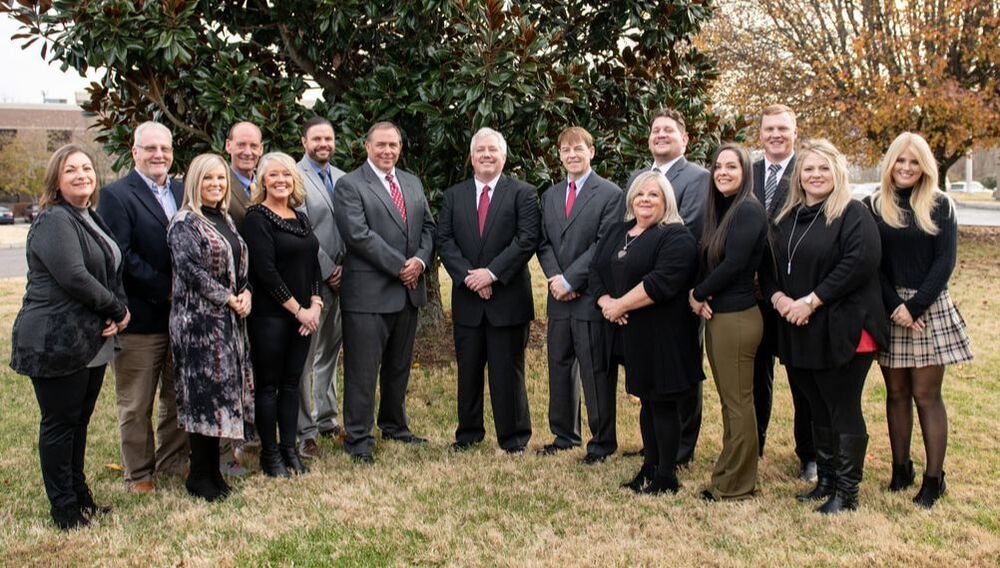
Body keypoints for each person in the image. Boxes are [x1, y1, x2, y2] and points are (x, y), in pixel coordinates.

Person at [760, 139, 888, 514]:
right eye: (809, 168)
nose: (815, 175)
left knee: (841, 406)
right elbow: (768, 268)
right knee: (815, 406)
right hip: (798, 327)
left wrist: (812, 301)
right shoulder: (787, 217)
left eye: (823, 168)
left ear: (838, 172)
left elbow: (859, 263)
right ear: (799, 174)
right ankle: (826, 481)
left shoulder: (853, 213)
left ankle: (847, 494)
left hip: (843, 327)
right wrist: (781, 300)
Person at [10, 144, 129, 530]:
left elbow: (111, 268)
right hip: (54, 340)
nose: (81, 175)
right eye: (71, 170)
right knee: (60, 424)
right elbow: (74, 277)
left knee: (79, 422)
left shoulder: (88, 216)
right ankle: (63, 508)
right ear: (56, 181)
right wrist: (115, 309)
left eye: (86, 168)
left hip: (87, 339)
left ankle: (81, 498)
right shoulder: (54, 220)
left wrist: (114, 311)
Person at [865, 132, 972, 509]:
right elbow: (871, 263)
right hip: (890, 307)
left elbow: (945, 263)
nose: (906, 168)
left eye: (914, 162)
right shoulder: (873, 205)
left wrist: (915, 307)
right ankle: (900, 469)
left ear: (925, 167)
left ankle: (933, 479)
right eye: (900, 160)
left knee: (926, 396)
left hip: (928, 308)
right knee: (895, 394)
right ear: (890, 164)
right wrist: (896, 305)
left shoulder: (941, 205)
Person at [590, 171, 701, 493]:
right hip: (632, 336)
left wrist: (620, 305)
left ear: (666, 200)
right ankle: (649, 466)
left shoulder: (676, 236)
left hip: (665, 335)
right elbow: (597, 270)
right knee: (647, 402)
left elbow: (661, 282)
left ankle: (667, 476)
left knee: (662, 403)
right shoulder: (619, 231)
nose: (645, 200)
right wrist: (605, 301)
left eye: (654, 194)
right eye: (640, 194)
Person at [333, 121, 436, 464]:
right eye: (381, 145)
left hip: (408, 292)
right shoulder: (350, 185)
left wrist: (420, 262)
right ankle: (358, 437)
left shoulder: (411, 182)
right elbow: (358, 235)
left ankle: (394, 424)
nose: (387, 151)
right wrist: (400, 267)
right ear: (366, 146)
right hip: (368, 294)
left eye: (393, 144)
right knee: (363, 370)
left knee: (398, 366)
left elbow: (428, 228)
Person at [97, 121, 188, 493]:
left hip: (182, 319)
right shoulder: (116, 195)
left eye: (164, 148)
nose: (158, 155)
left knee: (176, 395)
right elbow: (122, 254)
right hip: (141, 317)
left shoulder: (183, 190)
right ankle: (138, 473)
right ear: (135, 152)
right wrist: (167, 289)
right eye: (150, 148)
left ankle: (173, 460)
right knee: (136, 402)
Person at [437, 127, 540, 453]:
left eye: (492, 150)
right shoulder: (454, 195)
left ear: (504, 156)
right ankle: (468, 434)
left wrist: (492, 274)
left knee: (507, 372)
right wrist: (471, 277)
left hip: (507, 299)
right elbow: (445, 240)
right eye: (480, 150)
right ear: (471, 157)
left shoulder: (523, 193)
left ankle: (513, 438)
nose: (486, 155)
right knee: (468, 372)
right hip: (468, 298)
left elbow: (526, 240)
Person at [166, 153, 254, 501]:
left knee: (221, 398)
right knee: (203, 398)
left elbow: (239, 266)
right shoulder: (185, 222)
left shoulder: (225, 220)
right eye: (208, 179)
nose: (216, 185)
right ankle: (199, 476)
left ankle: (213, 472)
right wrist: (229, 298)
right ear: (194, 183)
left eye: (220, 179)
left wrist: (245, 293)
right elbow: (191, 272)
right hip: (198, 326)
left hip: (228, 324)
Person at [624, 108, 709, 466]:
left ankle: (682, 448)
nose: (661, 135)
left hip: (678, 291)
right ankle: (657, 443)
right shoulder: (640, 177)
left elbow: (685, 230)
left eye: (669, 131)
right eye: (656, 130)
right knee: (651, 371)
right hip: (643, 292)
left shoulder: (698, 178)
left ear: (685, 139)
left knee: (681, 373)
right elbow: (629, 225)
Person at [537, 126, 624, 464]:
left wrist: (572, 280)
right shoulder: (551, 195)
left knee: (594, 369)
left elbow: (604, 245)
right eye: (565, 150)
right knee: (559, 364)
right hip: (557, 297)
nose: (571, 155)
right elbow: (542, 242)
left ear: (592, 151)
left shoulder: (610, 194)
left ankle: (602, 442)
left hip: (590, 296)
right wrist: (555, 278)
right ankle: (564, 435)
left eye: (578, 149)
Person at [689, 143, 768, 501]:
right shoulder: (722, 210)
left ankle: (737, 485)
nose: (722, 172)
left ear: (745, 172)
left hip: (737, 320)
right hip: (722, 316)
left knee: (738, 403)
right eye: (718, 166)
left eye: (731, 167)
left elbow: (735, 264)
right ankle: (728, 471)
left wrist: (699, 293)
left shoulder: (748, 210)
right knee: (730, 401)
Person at [243, 152, 322, 477]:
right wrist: (298, 310)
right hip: (270, 317)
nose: (280, 181)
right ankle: (270, 454)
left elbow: (313, 263)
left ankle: (290, 449)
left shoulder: (300, 217)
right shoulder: (256, 218)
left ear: (294, 180)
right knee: (268, 386)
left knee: (292, 384)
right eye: (273, 175)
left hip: (303, 317)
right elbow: (265, 271)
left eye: (286, 175)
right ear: (262, 181)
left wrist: (315, 304)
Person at [752, 105, 816, 482]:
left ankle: (808, 454)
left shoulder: (807, 171)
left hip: (794, 295)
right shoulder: (750, 172)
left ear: (795, 132)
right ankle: (753, 444)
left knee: (801, 380)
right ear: (760, 134)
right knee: (756, 377)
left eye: (782, 129)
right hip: (753, 295)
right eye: (769, 129)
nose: (775, 135)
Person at [296, 117, 347, 459]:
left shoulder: (343, 178)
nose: (323, 144)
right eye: (317, 139)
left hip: (347, 281)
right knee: (304, 358)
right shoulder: (294, 177)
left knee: (330, 352)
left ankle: (326, 418)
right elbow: (300, 229)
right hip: (312, 279)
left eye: (328, 138)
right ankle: (304, 430)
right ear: (304, 142)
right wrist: (328, 269)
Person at [225, 121, 264, 232]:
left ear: (261, 149)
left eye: (254, 146)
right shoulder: (220, 185)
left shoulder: (268, 185)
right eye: (241, 145)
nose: (247, 152)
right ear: (228, 145)